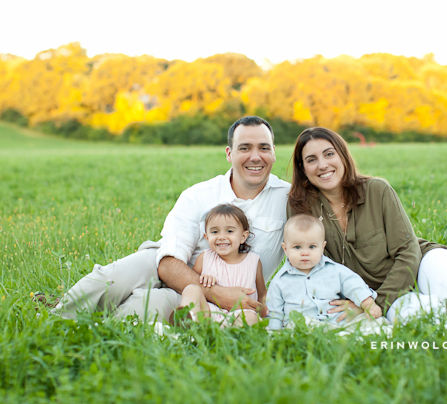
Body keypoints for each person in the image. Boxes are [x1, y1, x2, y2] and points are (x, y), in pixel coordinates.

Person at [287, 127, 447, 326]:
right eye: (311, 159)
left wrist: (376, 305)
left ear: (342, 156)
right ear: (303, 168)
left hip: (420, 262)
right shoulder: (301, 208)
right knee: (422, 320)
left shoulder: (377, 190)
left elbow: (408, 251)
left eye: (329, 154)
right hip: (376, 292)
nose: (322, 165)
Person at [51, 116, 289, 323]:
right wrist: (218, 293)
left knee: (141, 311)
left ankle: (95, 328)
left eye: (264, 148)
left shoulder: (290, 198)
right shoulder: (198, 195)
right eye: (245, 148)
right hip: (165, 265)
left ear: (274, 153)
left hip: (204, 293)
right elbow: (167, 263)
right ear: (229, 154)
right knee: (110, 279)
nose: (255, 157)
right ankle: (55, 318)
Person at [266, 214, 382, 330]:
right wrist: (274, 334)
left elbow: (354, 285)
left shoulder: (334, 270)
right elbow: (274, 314)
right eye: (297, 247)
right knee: (299, 324)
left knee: (375, 323)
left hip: (335, 322)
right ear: (285, 249)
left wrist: (368, 304)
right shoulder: (280, 281)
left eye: (312, 247)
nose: (305, 253)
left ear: (322, 247)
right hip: (302, 324)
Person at [173, 204, 266, 327]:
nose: (221, 237)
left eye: (229, 231)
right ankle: (189, 319)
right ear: (207, 237)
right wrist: (204, 278)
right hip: (210, 313)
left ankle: (236, 337)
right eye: (215, 232)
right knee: (191, 289)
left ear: (243, 236)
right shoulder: (205, 258)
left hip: (241, 314)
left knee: (250, 317)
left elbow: (262, 293)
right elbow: (193, 282)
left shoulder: (253, 261)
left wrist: (263, 310)